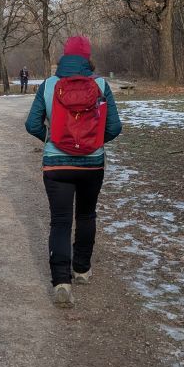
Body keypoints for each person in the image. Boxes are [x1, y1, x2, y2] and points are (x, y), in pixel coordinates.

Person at [24, 35, 122, 305]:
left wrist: (49, 139)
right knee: (87, 215)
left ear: (64, 58)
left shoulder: (49, 85)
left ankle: (61, 282)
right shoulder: (101, 85)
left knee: (60, 221)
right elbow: (114, 127)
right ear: (88, 58)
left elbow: (32, 124)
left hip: (57, 164)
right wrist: (94, 143)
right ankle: (81, 269)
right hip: (92, 164)